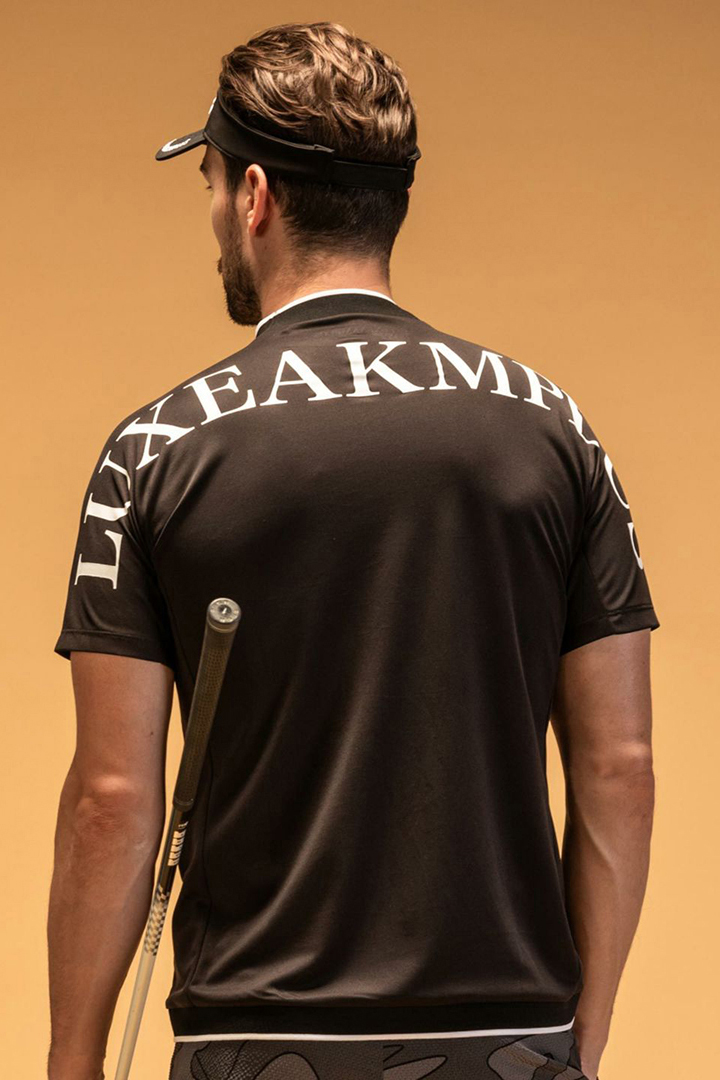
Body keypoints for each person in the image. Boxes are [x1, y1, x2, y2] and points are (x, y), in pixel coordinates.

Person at [47, 21, 659, 1080]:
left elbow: (113, 803)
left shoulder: (157, 448)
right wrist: (581, 1038)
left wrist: (72, 1060)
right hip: (508, 1039)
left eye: (209, 184)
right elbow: (619, 767)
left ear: (254, 198)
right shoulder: (556, 430)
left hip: (252, 1042)